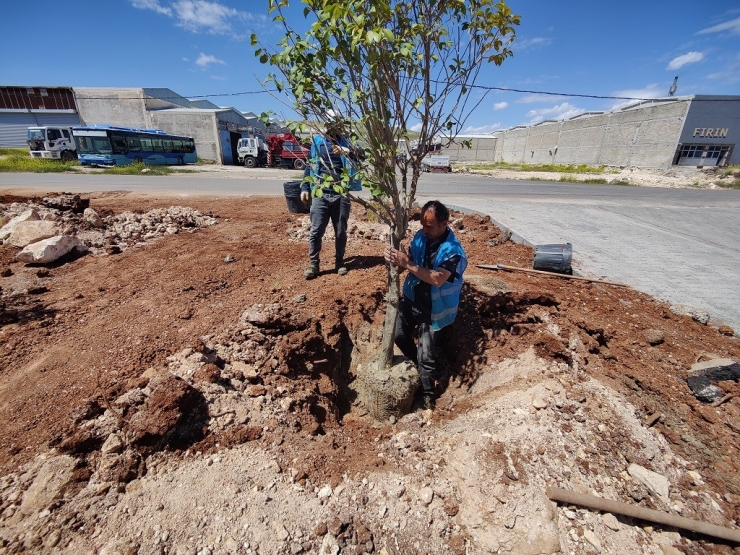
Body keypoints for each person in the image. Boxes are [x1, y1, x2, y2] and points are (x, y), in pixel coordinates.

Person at [384, 201, 468, 410]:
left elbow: (438, 279)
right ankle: (417, 364)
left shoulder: (453, 251)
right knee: (399, 335)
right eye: (422, 224)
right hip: (413, 297)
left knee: (426, 355)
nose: (424, 229)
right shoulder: (421, 237)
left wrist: (408, 264)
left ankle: (428, 395)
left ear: (444, 223)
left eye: (429, 226)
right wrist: (397, 259)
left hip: (435, 308)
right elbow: (411, 259)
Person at [300, 113, 362, 280]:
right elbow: (310, 165)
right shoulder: (318, 142)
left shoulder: (347, 142)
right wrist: (305, 187)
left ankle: (339, 261)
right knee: (316, 230)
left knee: (340, 231)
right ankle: (314, 263)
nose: (333, 127)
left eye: (336, 123)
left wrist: (349, 151)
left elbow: (362, 157)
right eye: (330, 123)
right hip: (320, 192)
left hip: (341, 193)